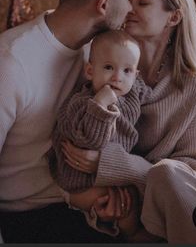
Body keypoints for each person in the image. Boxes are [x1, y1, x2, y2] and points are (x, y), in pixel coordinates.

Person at [62, 0, 196, 243]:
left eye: (142, 2)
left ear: (173, 17)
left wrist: (111, 164)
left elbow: (183, 171)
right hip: (133, 196)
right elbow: (85, 142)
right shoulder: (111, 71)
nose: (129, 9)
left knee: (168, 173)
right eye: (129, 1)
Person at [0, 0, 136, 243]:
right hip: (21, 217)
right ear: (103, 4)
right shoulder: (11, 61)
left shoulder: (99, 52)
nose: (131, 9)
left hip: (78, 202)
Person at [49, 29, 155, 238]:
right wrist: (101, 105)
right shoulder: (82, 104)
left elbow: (154, 96)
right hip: (79, 182)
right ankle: (133, 237)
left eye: (127, 71)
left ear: (135, 75)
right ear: (90, 71)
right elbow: (92, 141)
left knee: (138, 200)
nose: (117, 77)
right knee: (128, 207)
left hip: (108, 173)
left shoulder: (131, 92)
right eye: (108, 67)